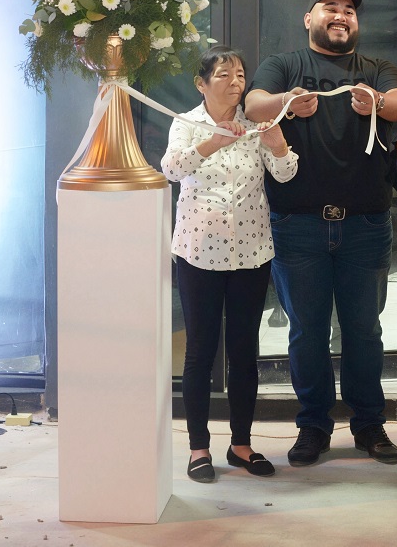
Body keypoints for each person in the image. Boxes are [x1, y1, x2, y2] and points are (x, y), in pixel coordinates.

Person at [244, 0, 397, 466]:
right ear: (309, 18)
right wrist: (284, 102)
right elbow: (253, 105)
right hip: (297, 226)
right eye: (330, 8)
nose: (341, 15)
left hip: (365, 225)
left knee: (364, 330)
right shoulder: (284, 65)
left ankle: (369, 424)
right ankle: (313, 425)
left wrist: (377, 103)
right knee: (307, 331)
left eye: (349, 10)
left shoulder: (376, 69)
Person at [162, 45, 298, 484]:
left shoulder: (258, 124)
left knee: (243, 352)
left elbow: (286, 175)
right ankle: (198, 448)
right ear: (201, 84)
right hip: (199, 254)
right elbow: (170, 168)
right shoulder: (186, 123)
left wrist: (279, 147)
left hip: (251, 254)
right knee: (200, 353)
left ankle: (241, 445)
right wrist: (211, 142)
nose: (235, 81)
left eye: (240, 74)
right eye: (224, 74)